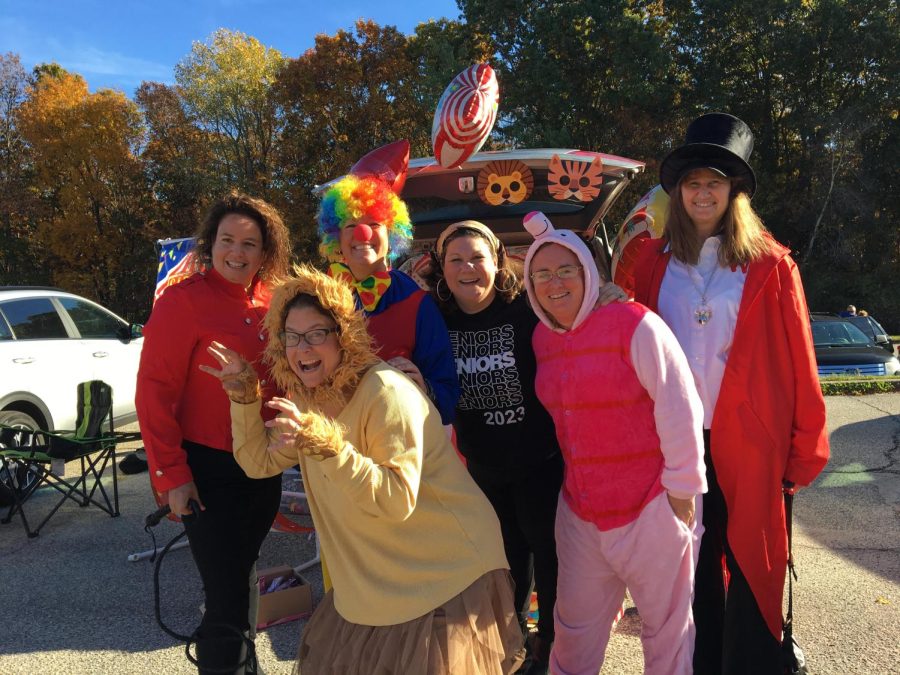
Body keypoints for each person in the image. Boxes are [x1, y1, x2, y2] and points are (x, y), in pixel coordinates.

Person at [203, 264, 525, 675]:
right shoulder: (309, 399)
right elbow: (257, 462)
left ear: (344, 336)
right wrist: (244, 398)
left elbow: (395, 501)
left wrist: (332, 447)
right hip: (370, 583)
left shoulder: (387, 392)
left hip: (446, 571)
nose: (304, 348)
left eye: (317, 333)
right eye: (292, 336)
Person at [633, 112, 830, 674]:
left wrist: (804, 446)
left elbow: (800, 360)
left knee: (751, 560)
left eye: (714, 184)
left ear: (733, 193)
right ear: (678, 192)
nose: (702, 193)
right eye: (692, 183)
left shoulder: (770, 265)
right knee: (687, 560)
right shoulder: (651, 263)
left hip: (749, 438)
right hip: (675, 441)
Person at [522, 211, 706, 675]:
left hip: (651, 505)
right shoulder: (542, 337)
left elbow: (678, 402)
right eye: (542, 273)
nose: (555, 282)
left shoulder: (633, 323)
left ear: (588, 271)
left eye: (567, 269)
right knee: (574, 627)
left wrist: (681, 491)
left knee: (666, 629)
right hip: (581, 512)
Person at [136, 193, 292, 674]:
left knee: (238, 579)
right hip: (205, 470)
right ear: (211, 244)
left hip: (260, 467)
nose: (238, 252)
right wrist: (172, 474)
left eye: (250, 243)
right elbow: (154, 392)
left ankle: (243, 663)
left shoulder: (275, 302)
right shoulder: (183, 302)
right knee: (223, 596)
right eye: (228, 240)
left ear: (265, 252)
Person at [426, 220, 562, 674]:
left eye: (477, 257)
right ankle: (513, 645)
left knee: (549, 552)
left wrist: (607, 294)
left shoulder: (526, 308)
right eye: (456, 259)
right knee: (503, 561)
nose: (468, 268)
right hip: (483, 466)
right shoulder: (434, 318)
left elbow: (574, 308)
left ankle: (553, 645)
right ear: (442, 269)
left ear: (497, 262)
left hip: (540, 460)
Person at [318, 140, 459, 424]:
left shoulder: (416, 302)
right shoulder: (316, 296)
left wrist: (424, 386)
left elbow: (447, 396)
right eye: (351, 225)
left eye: (374, 225)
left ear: (392, 233)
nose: (362, 234)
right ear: (336, 237)